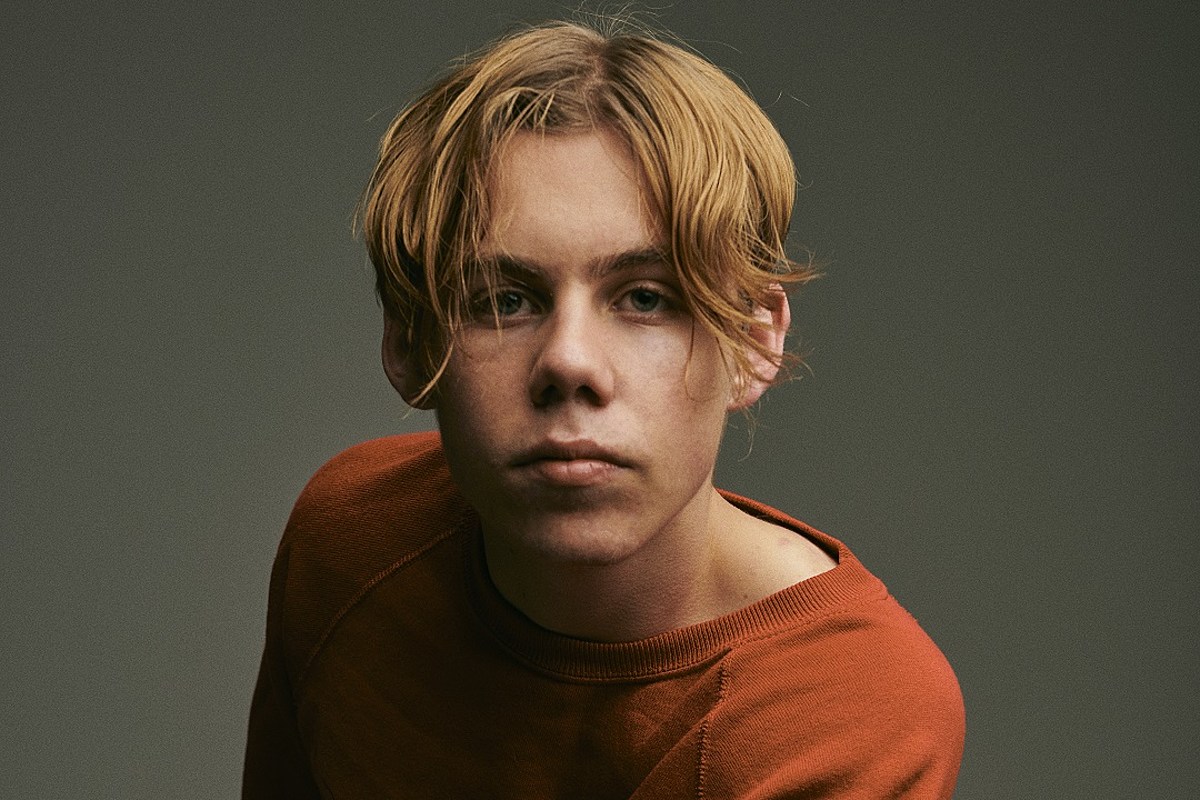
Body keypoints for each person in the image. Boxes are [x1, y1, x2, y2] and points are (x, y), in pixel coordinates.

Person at [242, 18, 965, 799]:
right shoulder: (350, 542)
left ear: (755, 342)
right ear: (410, 344)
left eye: (645, 298)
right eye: (505, 300)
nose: (569, 361)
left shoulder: (849, 708)